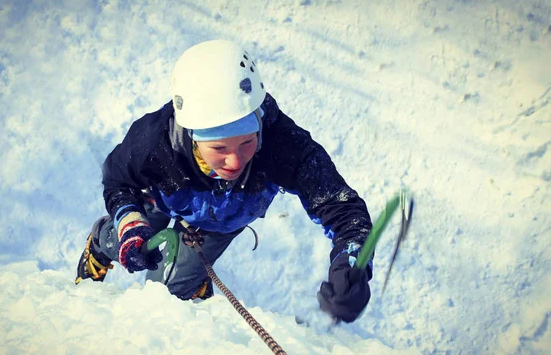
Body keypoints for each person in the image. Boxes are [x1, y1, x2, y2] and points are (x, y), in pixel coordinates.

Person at [75, 40, 373, 323]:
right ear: (191, 133)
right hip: (158, 197)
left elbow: (341, 208)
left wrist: (352, 265)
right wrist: (127, 218)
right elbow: (116, 180)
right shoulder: (152, 142)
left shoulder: (282, 144)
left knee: (168, 293)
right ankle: (101, 243)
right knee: (131, 244)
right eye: (218, 148)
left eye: (247, 142)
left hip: (221, 221)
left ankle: (190, 279)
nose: (235, 162)